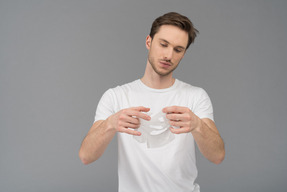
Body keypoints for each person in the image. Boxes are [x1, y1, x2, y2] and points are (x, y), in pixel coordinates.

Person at [79, 12, 225, 192]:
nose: (168, 55)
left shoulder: (195, 96)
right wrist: (110, 124)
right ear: (149, 42)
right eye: (163, 44)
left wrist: (197, 125)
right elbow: (86, 156)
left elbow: (217, 156)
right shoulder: (116, 96)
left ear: (184, 54)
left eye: (178, 49)